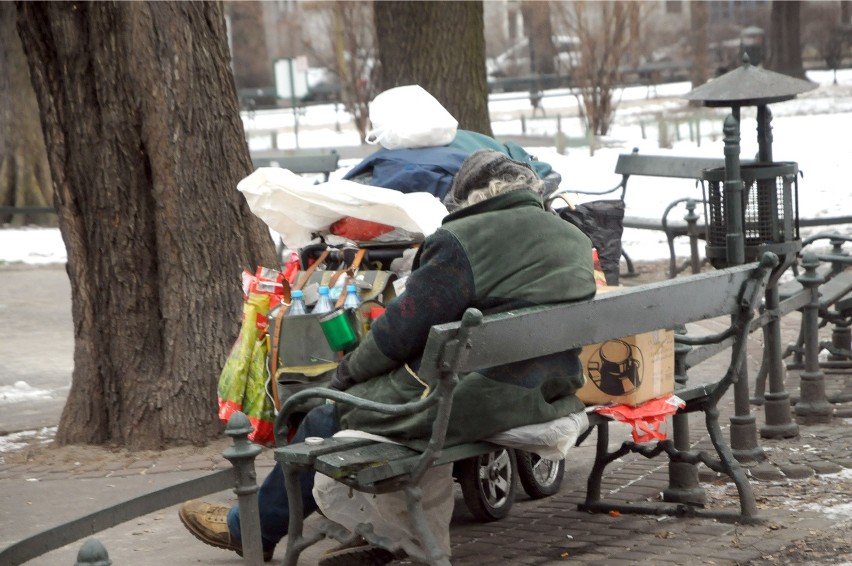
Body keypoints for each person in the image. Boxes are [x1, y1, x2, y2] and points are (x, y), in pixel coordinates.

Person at [178, 149, 597, 564]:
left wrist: (342, 378)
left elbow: (398, 334)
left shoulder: (461, 242)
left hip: (481, 398)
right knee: (382, 403)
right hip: (547, 391)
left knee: (322, 413)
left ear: (471, 198)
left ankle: (249, 528)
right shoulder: (574, 238)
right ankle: (383, 537)